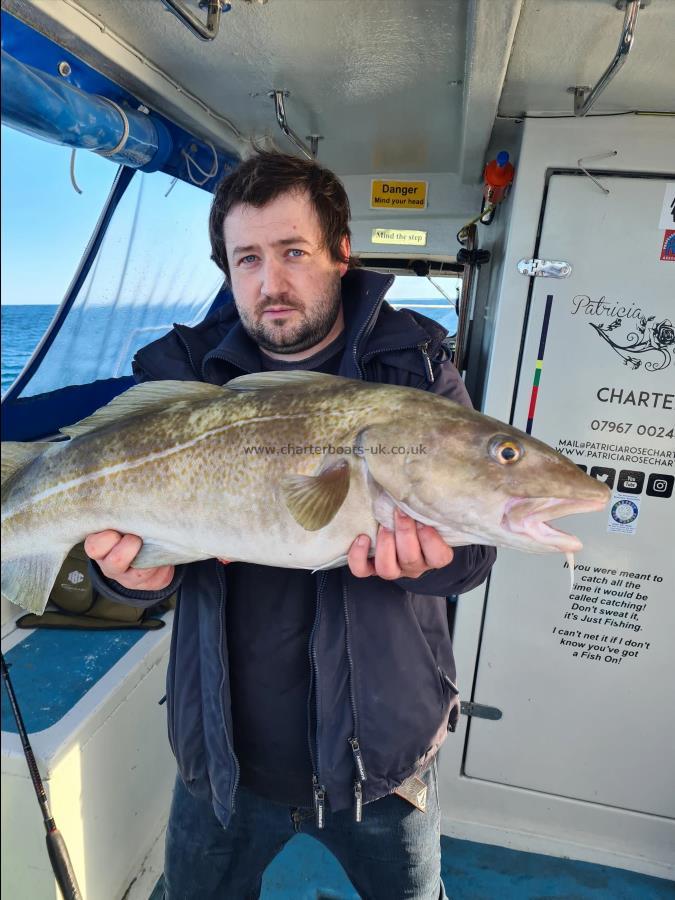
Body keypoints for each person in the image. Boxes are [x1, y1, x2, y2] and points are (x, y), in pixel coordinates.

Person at [85, 150, 496, 899]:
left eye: (292, 252)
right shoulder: (180, 380)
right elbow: (138, 567)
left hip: (385, 756)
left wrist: (425, 561)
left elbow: (471, 561)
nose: (270, 283)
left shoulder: (415, 370)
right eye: (247, 259)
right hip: (226, 759)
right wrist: (133, 581)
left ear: (341, 255)